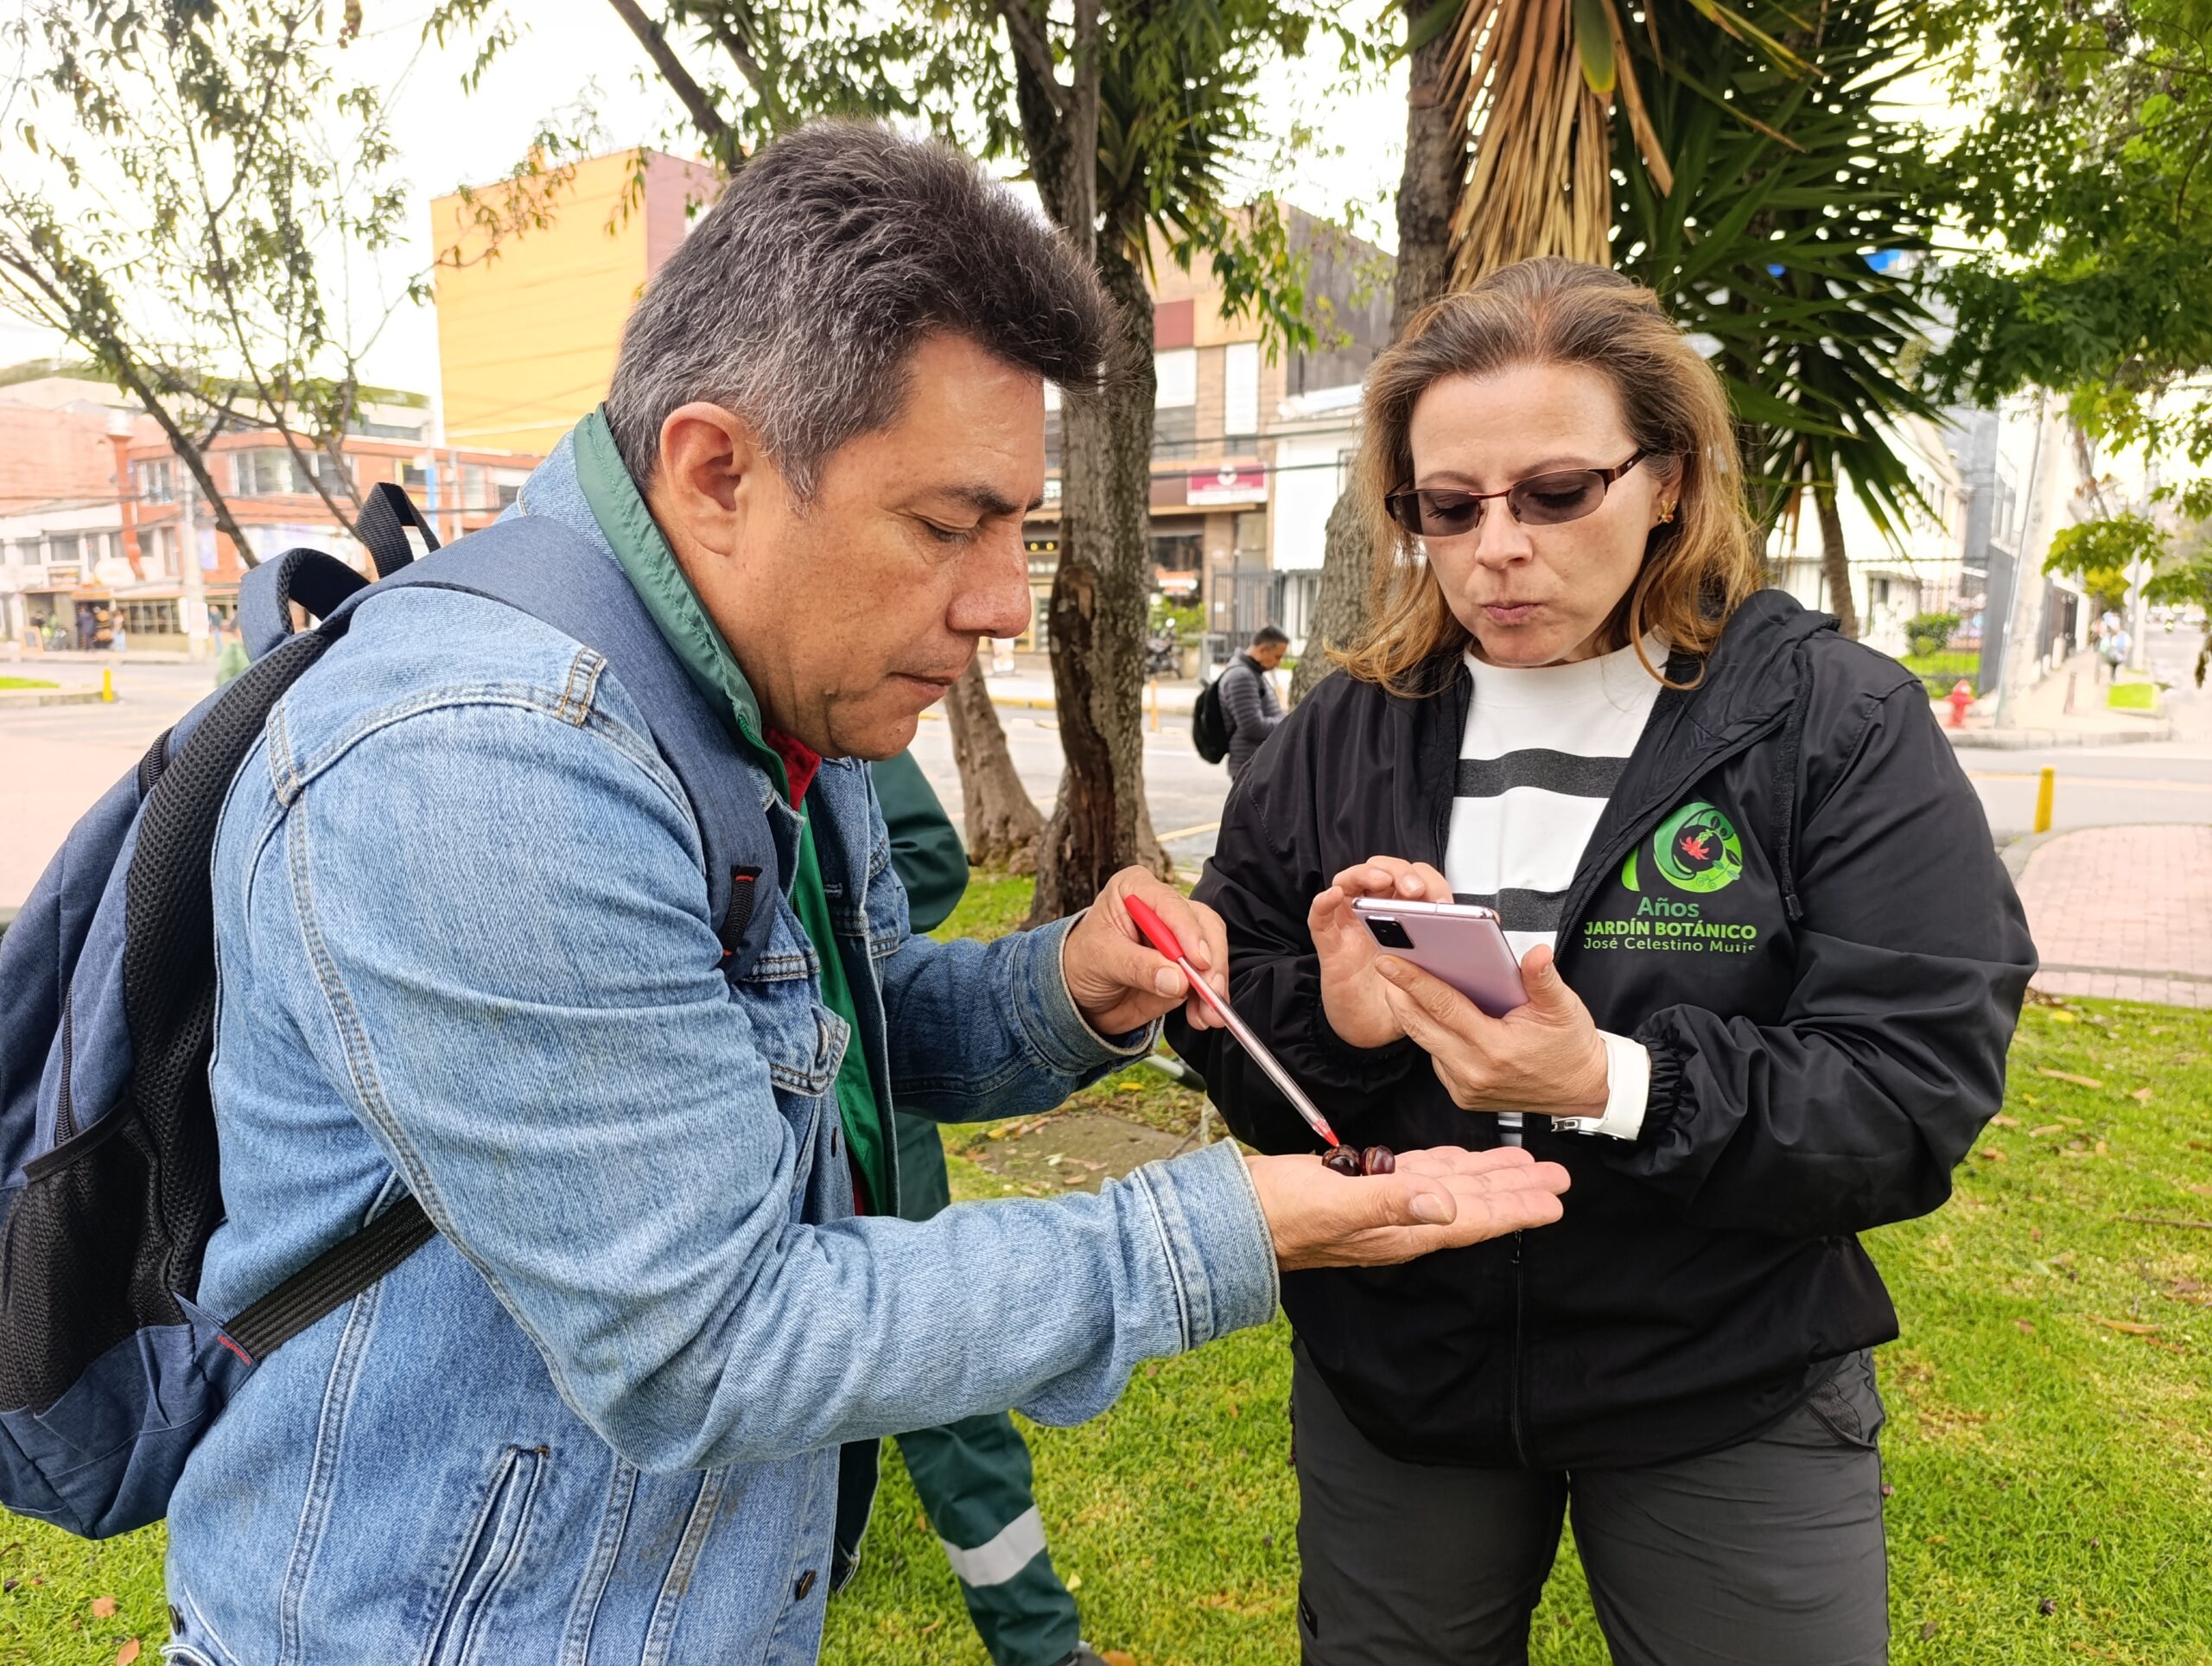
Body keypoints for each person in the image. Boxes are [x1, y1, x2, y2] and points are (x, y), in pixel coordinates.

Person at [163, 124, 1571, 1664]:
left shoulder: (763, 679)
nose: (996, 605)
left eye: (1016, 530)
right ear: (719, 472)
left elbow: (844, 1025)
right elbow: (709, 1340)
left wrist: (1072, 985)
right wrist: (1226, 1225)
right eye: (947, 524)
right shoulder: (487, 764)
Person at [1169, 258, 2036, 1666]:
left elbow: (1914, 1085)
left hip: (1724, 1377)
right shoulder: (1341, 734)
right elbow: (1238, 1034)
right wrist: (1325, 1024)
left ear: (1673, 477)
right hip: (1403, 1374)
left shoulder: (1832, 723)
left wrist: (1613, 1082)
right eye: (1447, 507)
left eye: (1557, 493)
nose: (1497, 547)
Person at [833, 752, 1108, 1666]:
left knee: (937, 1364)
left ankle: (1038, 1639)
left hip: (862, 1106)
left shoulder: (816, 679)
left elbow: (927, 856)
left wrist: (806, 945)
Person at [1218, 624, 1289, 779]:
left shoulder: (1252, 672)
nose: (1279, 663)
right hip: (1251, 767)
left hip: (1256, 765)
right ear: (1263, 649)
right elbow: (1253, 726)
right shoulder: (1242, 676)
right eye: (1278, 656)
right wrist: (1288, 722)